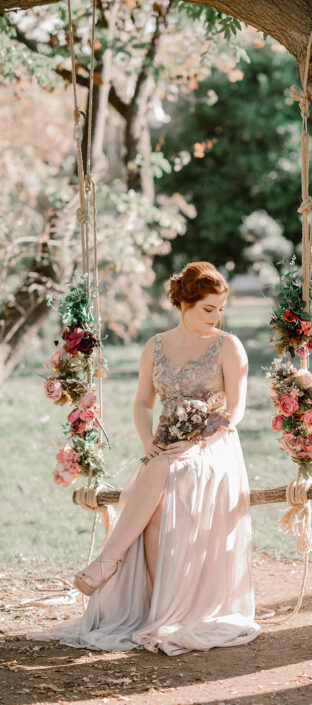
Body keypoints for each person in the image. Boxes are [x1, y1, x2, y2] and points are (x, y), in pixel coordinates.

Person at [26, 261, 261, 654]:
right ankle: (157, 610)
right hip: (166, 445)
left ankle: (108, 561)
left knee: (161, 471)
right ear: (184, 303)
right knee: (157, 483)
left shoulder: (228, 346)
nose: (216, 316)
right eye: (208, 308)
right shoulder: (155, 346)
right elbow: (141, 403)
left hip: (214, 445)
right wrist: (148, 439)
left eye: (221, 308)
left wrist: (199, 440)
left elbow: (235, 410)